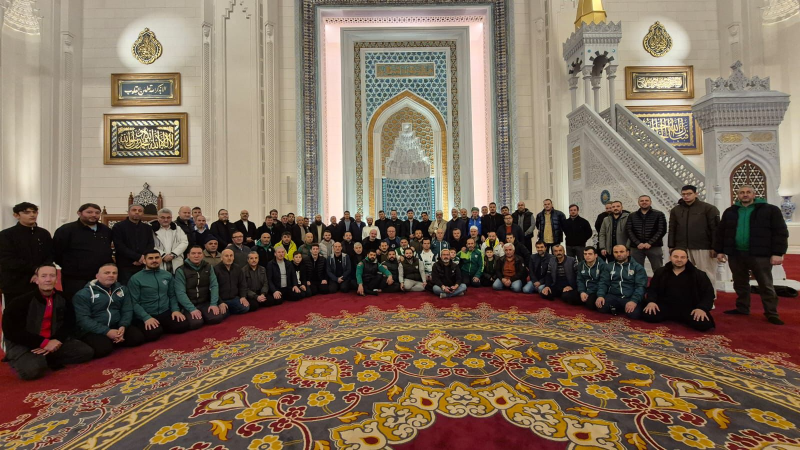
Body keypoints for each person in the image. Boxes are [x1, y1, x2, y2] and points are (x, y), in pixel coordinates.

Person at [2, 264, 93, 380]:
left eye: (52, 276)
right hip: (28, 344)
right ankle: (23, 359)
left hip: (53, 340)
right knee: (32, 372)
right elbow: (11, 331)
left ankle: (46, 356)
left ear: (56, 279)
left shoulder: (64, 298)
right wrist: (43, 343)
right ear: (36, 279)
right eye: (44, 276)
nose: (48, 279)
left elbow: (69, 323)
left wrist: (57, 340)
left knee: (86, 352)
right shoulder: (20, 302)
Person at [715, 185, 789, 325]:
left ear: (754, 194)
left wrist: (778, 253)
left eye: (748, 192)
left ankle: (771, 313)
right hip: (736, 253)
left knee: (765, 284)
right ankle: (742, 308)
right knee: (740, 283)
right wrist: (720, 250)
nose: (745, 195)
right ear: (738, 195)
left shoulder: (770, 210)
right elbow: (721, 232)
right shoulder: (731, 211)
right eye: (742, 192)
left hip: (760, 254)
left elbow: (780, 232)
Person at [73, 263, 146, 358]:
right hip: (95, 329)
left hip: (116, 325)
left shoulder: (123, 289)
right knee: (103, 349)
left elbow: (127, 310)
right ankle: (112, 340)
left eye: (114, 273)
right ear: (97, 276)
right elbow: (83, 319)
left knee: (137, 338)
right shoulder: (83, 294)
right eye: (107, 273)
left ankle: (117, 337)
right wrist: (107, 331)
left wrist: (123, 326)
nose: (111, 275)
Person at [643, 248, 715, 331]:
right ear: (670, 258)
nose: (679, 260)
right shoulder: (661, 272)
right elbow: (652, 289)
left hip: (689, 308)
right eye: (676, 257)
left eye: (682, 257)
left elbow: (708, 294)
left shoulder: (699, 275)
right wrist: (651, 302)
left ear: (687, 259)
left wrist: (702, 308)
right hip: (666, 306)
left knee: (703, 325)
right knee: (648, 315)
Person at [53, 203, 113, 301]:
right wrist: (70, 266)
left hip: (99, 277)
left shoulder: (105, 230)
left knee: (99, 303)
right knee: (75, 303)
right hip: (75, 278)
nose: (94, 215)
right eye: (89, 212)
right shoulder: (66, 230)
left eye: (97, 213)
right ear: (79, 213)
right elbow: (57, 252)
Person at [128, 250, 191, 341]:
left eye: (157, 258)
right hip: (147, 314)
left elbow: (172, 295)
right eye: (150, 258)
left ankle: (161, 326)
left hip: (165, 312)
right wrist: (146, 318)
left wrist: (175, 310)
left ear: (161, 259)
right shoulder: (135, 279)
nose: (154, 260)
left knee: (183, 325)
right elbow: (133, 302)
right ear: (144, 261)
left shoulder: (167, 275)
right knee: (154, 334)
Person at [669, 185, 721, 290]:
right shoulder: (676, 210)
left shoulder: (708, 208)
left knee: (706, 273)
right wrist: (671, 246)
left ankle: (709, 299)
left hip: (703, 247)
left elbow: (715, 229)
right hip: (682, 247)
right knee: (684, 274)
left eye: (689, 194)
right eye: (683, 194)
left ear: (696, 194)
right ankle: (688, 299)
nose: (686, 196)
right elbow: (672, 229)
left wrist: (715, 247)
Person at [0, 202, 54, 302]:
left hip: (40, 282)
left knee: (39, 313)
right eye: (27, 212)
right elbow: (7, 259)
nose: (32, 215)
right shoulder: (6, 234)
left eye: (34, 212)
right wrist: (36, 270)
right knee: (16, 314)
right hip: (15, 282)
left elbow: (50, 255)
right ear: (16, 215)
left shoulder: (43, 233)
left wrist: (41, 272)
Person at [174, 246, 227, 329]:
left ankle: (204, 315)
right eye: (193, 253)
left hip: (204, 302)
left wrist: (213, 304)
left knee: (217, 318)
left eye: (199, 253)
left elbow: (214, 286)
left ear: (202, 255)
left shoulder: (209, 267)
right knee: (196, 323)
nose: (196, 256)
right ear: (188, 255)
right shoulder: (181, 270)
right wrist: (191, 309)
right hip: (189, 304)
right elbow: (180, 292)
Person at [595, 245, 647, 320]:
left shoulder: (637, 267)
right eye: (616, 252)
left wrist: (634, 301)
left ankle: (619, 307)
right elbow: (603, 282)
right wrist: (600, 295)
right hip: (613, 295)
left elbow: (641, 286)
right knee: (600, 307)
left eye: (621, 252)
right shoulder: (609, 266)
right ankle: (619, 307)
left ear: (628, 253)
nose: (619, 254)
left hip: (629, 296)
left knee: (634, 314)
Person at [112, 204, 155, 284]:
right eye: (134, 210)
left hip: (143, 264)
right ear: (128, 212)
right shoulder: (119, 226)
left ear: (143, 213)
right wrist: (137, 257)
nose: (137, 212)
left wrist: (143, 258)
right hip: (125, 265)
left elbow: (150, 244)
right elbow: (120, 246)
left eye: (140, 211)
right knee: (126, 289)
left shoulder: (147, 228)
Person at [626, 195, 667, 271]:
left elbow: (661, 230)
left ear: (650, 202)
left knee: (658, 270)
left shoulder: (659, 214)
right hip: (636, 247)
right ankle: (640, 283)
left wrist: (650, 243)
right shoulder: (632, 215)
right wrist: (638, 243)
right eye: (642, 201)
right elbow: (628, 230)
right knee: (636, 270)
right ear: (638, 203)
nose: (644, 202)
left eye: (646, 200)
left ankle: (658, 283)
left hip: (654, 246)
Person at [153, 208, 189, 274]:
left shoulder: (177, 228)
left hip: (176, 261)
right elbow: (150, 245)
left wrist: (173, 254)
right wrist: (163, 255)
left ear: (171, 218)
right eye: (163, 217)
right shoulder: (152, 229)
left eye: (168, 217)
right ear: (158, 217)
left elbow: (184, 242)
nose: (166, 220)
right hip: (158, 261)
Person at [214, 249, 250, 314]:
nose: (229, 258)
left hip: (234, 298)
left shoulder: (237, 268)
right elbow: (213, 289)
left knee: (246, 308)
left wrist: (243, 297)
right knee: (220, 315)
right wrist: (220, 302)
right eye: (226, 256)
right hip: (222, 299)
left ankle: (228, 310)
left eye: (231, 256)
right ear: (221, 258)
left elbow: (242, 284)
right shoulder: (216, 269)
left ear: (233, 258)